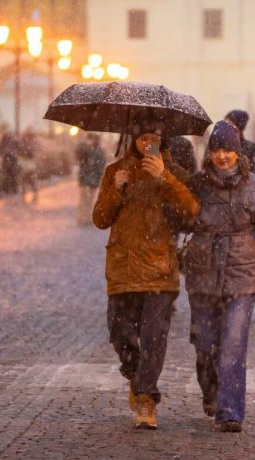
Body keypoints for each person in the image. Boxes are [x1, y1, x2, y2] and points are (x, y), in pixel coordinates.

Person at [184, 121, 255, 433]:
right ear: (209, 153)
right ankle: (211, 390)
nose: (223, 156)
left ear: (238, 152)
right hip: (203, 275)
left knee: (233, 342)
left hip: (243, 276)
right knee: (206, 344)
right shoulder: (196, 185)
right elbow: (176, 219)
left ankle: (230, 409)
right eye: (217, 150)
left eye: (229, 150)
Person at [92, 113, 199, 430]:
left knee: (154, 338)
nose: (149, 143)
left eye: (155, 137)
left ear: (162, 140)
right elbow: (100, 218)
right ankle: (137, 378)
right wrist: (116, 189)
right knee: (121, 334)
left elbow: (192, 214)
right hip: (123, 269)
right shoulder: (116, 171)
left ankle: (146, 399)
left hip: (159, 269)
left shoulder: (174, 173)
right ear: (134, 140)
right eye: (143, 138)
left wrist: (165, 179)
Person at [76, 133, 106, 225]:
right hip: (87, 178)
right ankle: (84, 217)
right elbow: (79, 158)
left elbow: (101, 165)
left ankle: (85, 217)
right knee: (86, 199)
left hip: (90, 178)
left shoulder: (98, 151)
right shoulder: (87, 149)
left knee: (88, 199)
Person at [225, 110, 255, 176]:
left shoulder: (253, 149)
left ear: (239, 127)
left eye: (229, 124)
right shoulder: (213, 146)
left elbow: (253, 175)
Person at [0, 123, 20, 194]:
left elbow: (0, 148)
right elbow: (19, 147)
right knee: (12, 174)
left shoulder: (5, 138)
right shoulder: (13, 138)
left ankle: (8, 190)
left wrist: (3, 152)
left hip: (8, 157)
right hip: (10, 157)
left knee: (8, 175)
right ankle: (12, 189)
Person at [18, 128, 39, 203]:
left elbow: (31, 153)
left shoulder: (29, 143)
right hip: (27, 165)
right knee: (28, 181)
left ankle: (33, 195)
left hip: (28, 165)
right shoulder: (27, 142)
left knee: (29, 181)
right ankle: (29, 196)